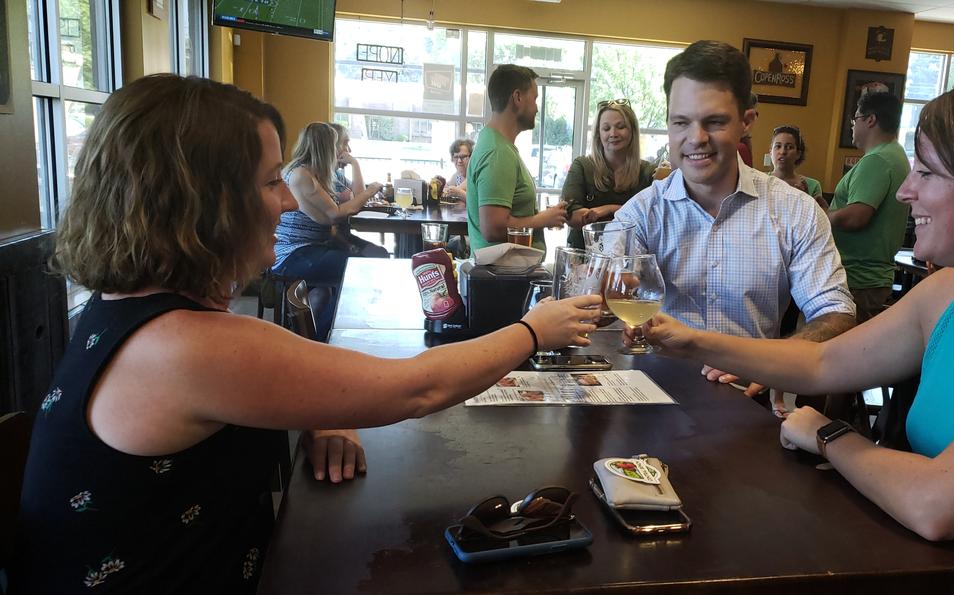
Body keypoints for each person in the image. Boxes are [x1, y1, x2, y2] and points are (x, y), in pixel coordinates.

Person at [12, 74, 601, 594]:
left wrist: (310, 406)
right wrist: (533, 329)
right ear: (202, 202)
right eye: (272, 182)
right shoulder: (185, 347)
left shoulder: (125, 310)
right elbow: (414, 390)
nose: (287, 200)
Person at [633, 67, 954, 594]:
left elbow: (936, 504)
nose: (905, 191)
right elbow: (824, 362)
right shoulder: (950, 292)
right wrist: (688, 340)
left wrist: (830, 435)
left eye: (927, 172)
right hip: (937, 574)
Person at [613, 40, 855, 399]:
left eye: (714, 121)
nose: (696, 138)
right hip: (652, 396)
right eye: (681, 122)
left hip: (749, 398)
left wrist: (768, 361)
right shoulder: (640, 213)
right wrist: (609, 297)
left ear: (746, 122)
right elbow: (602, 285)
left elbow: (837, 314)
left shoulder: (795, 211)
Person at [272, 122, 380, 341]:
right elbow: (334, 214)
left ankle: (326, 335)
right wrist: (368, 192)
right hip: (292, 254)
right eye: (337, 146)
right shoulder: (300, 175)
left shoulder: (311, 173)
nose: (341, 152)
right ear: (325, 148)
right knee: (355, 272)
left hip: (310, 248)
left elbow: (326, 219)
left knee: (366, 261)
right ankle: (325, 339)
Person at [828, 92, 912, 323]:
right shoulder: (895, 154)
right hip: (869, 278)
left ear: (870, 120)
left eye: (855, 119)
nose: (852, 126)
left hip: (857, 279)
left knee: (831, 352)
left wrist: (820, 215)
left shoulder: (877, 160)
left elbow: (856, 217)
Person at [467, 64, 567, 253]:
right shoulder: (498, 152)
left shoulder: (496, 144)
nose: (537, 108)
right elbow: (493, 228)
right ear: (518, 97)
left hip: (505, 274)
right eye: (535, 98)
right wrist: (543, 219)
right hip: (502, 276)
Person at [562, 99, 655, 249]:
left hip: (629, 260)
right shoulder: (582, 166)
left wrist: (607, 209)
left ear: (632, 131)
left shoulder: (648, 172)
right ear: (598, 134)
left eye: (620, 127)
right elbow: (570, 215)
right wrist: (623, 213)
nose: (613, 133)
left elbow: (652, 220)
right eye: (606, 128)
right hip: (584, 257)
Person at [329, 122, 389, 258]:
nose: (349, 150)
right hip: (331, 241)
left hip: (340, 236)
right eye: (345, 144)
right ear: (331, 146)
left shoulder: (337, 174)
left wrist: (355, 164)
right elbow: (361, 196)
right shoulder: (323, 176)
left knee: (381, 253)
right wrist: (354, 163)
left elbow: (359, 196)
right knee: (379, 255)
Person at [769, 125, 827, 210]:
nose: (782, 152)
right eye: (778, 146)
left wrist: (805, 199)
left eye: (789, 147)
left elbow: (817, 218)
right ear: (771, 152)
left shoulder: (812, 185)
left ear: (798, 154)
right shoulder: (760, 180)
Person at [443, 138, 473, 203]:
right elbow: (447, 188)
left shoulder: (475, 176)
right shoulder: (457, 176)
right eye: (456, 157)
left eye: (463, 157)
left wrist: (458, 192)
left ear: (472, 157)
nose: (459, 161)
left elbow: (476, 201)